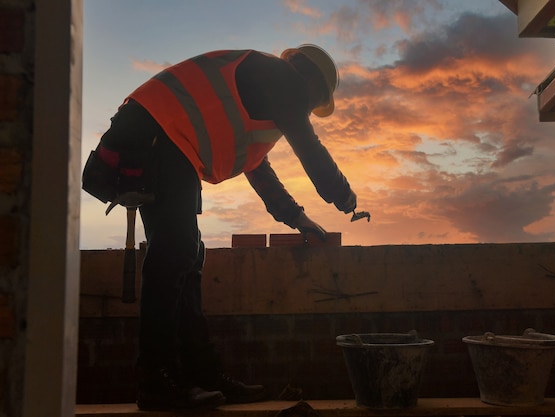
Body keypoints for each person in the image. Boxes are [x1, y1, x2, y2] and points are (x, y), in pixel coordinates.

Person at [82, 44, 359, 411]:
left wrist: (296, 218)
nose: (305, 111)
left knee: (189, 254)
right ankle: (155, 380)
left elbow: (257, 169)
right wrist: (346, 197)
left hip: (166, 142)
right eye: (312, 103)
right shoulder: (281, 78)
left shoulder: (263, 98)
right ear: (308, 81)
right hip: (157, 134)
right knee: (174, 254)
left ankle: (201, 374)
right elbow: (311, 150)